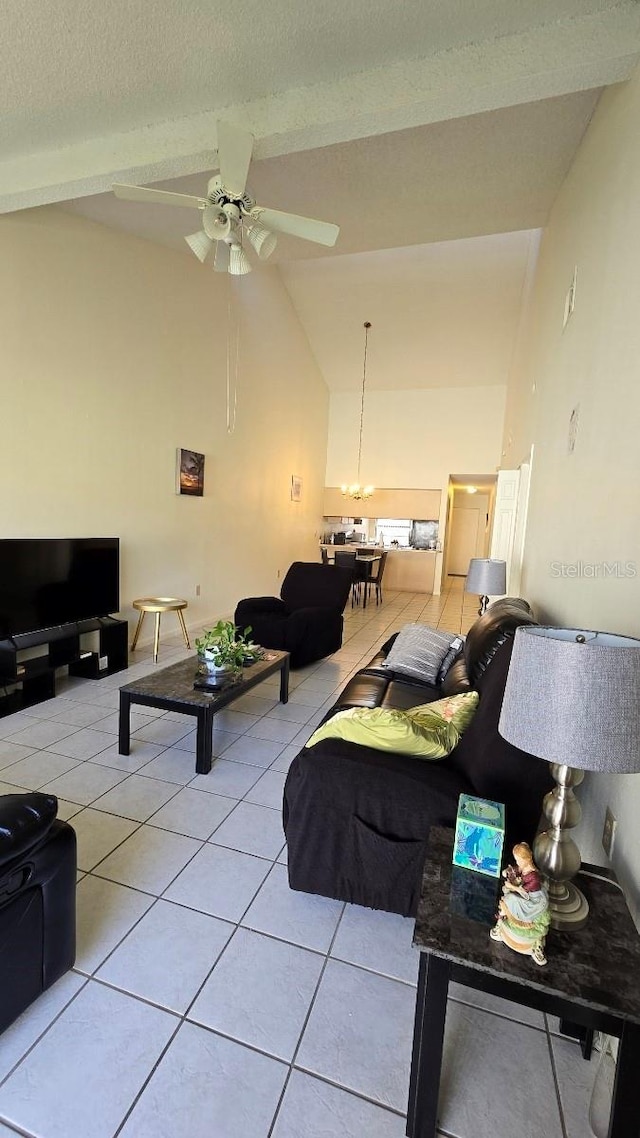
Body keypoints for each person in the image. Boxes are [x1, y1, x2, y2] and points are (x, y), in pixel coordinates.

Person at [490, 842, 550, 966]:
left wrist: (512, 886)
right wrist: (509, 871)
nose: (517, 862)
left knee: (509, 898)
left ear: (525, 859)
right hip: (524, 894)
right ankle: (501, 922)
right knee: (508, 894)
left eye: (518, 859)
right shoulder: (523, 867)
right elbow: (517, 870)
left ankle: (501, 920)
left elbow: (524, 891)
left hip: (533, 901)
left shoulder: (534, 876)